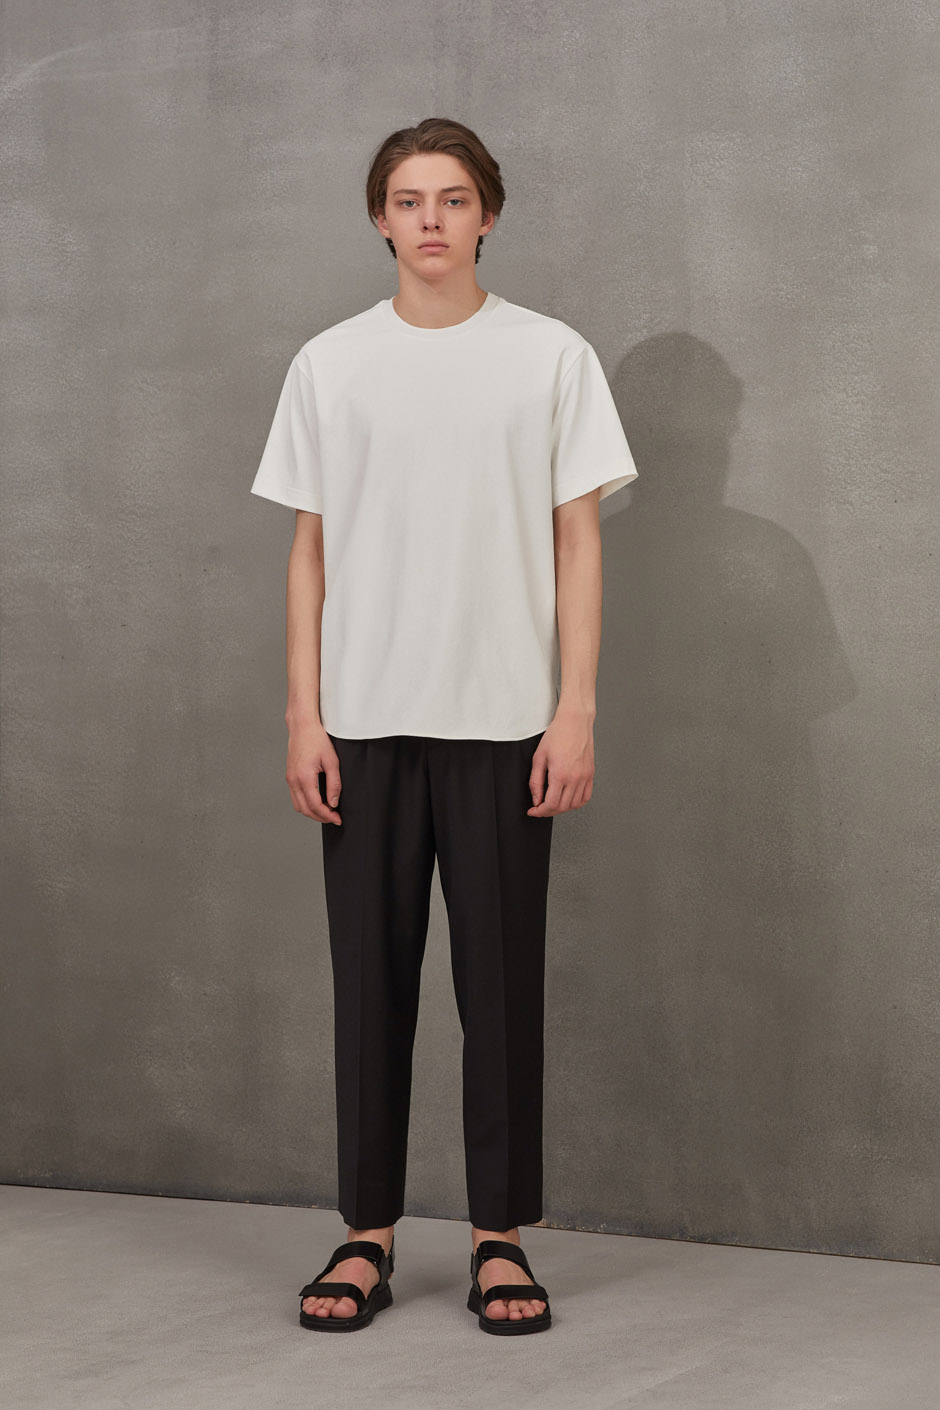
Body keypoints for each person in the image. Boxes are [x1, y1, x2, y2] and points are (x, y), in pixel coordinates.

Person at [250, 117, 638, 1335]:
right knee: (369, 988)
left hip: (506, 722)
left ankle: (497, 1237)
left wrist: (574, 709)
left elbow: (578, 544)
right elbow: (308, 551)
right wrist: (304, 713)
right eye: (410, 200)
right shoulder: (330, 364)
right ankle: (364, 1234)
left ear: (488, 216)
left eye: (454, 198)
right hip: (362, 721)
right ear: (380, 218)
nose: (431, 219)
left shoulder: (551, 357)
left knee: (500, 989)